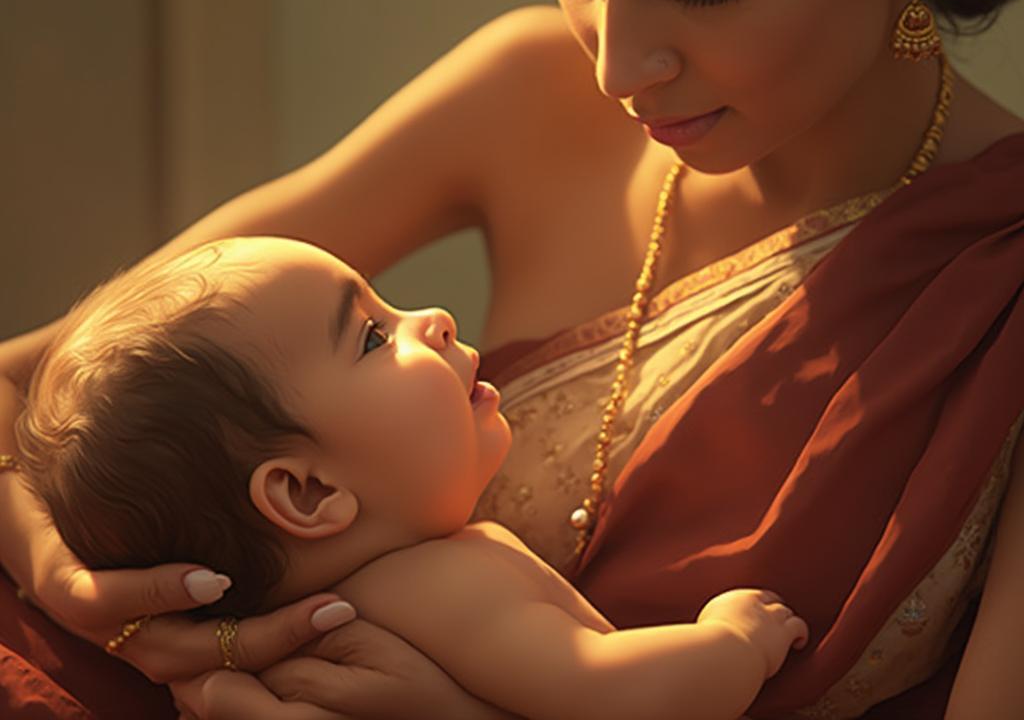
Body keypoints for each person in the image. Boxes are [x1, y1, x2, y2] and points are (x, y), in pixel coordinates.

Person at [2, 0, 1024, 716]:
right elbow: (35, 386)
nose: (619, 67)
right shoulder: (527, 96)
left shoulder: (997, 266)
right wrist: (71, 575)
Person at [15, 234, 808, 720]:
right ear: (308, 494)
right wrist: (733, 642)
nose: (432, 319)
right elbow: (610, 696)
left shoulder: (388, 586)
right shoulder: (436, 586)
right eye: (371, 336)